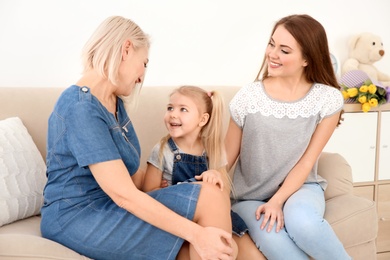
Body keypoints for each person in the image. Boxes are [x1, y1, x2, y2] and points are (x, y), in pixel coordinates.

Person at [40, 16, 236, 260]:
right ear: (126, 49)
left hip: (111, 207)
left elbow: (133, 179)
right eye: (144, 63)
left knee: (211, 200)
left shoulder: (114, 104)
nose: (142, 75)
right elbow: (123, 194)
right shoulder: (81, 108)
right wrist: (196, 233)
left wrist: (178, 185)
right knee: (209, 204)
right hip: (77, 216)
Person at [225, 14, 352, 260]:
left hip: (302, 187)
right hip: (250, 197)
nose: (272, 54)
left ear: (307, 58)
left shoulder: (327, 99)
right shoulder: (248, 97)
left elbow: (307, 161)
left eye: (284, 50)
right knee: (280, 247)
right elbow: (224, 160)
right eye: (272, 44)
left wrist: (278, 201)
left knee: (304, 224)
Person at [142, 85, 266, 260]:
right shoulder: (163, 150)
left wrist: (216, 176)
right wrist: (165, 191)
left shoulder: (213, 150)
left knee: (252, 255)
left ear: (202, 119)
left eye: (183, 109)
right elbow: (148, 197)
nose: (173, 114)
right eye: (170, 108)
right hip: (180, 221)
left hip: (213, 218)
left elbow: (223, 195)